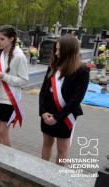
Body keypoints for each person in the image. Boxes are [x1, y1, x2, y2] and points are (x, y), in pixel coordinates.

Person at [39, 34, 89, 165]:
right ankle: (40, 172)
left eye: (59, 49)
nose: (56, 53)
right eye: (56, 49)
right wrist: (43, 112)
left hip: (65, 115)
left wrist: (57, 117)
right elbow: (43, 91)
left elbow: (76, 99)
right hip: (48, 113)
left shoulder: (82, 70)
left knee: (62, 149)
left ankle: (57, 179)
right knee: (46, 144)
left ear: (69, 51)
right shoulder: (53, 66)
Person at [0, 25, 28, 147]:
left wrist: (3, 76)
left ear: (11, 39)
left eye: (2, 39)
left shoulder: (19, 56)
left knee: (3, 132)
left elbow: (24, 80)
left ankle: (7, 161)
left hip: (10, 100)